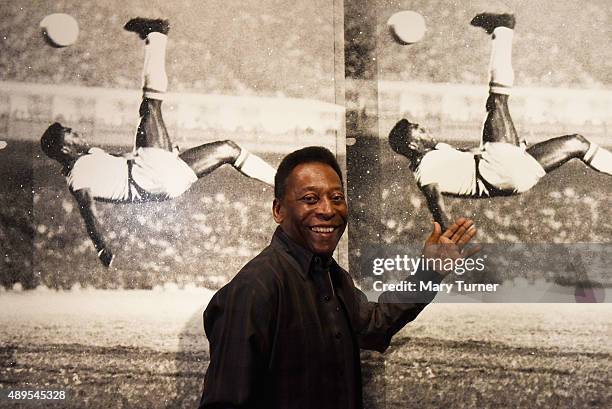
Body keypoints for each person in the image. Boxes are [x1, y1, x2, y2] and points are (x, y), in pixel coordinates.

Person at [199, 146, 478, 409]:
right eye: (310, 199)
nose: (328, 210)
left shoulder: (332, 277)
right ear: (278, 210)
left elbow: (373, 325)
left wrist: (429, 273)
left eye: (336, 198)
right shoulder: (254, 289)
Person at [40, 18, 277, 267]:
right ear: (65, 148)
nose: (77, 133)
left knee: (228, 148)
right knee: (150, 106)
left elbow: (120, 164)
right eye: (70, 133)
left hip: (162, 184)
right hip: (147, 176)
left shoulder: (88, 159)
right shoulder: (79, 173)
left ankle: (281, 182)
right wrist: (101, 247)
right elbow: (87, 210)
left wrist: (165, 154)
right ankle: (156, 35)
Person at [388, 13, 612, 230]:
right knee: (497, 101)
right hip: (495, 171)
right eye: (419, 130)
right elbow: (435, 203)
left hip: (513, 174)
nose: (425, 130)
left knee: (578, 143)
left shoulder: (438, 153)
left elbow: (466, 160)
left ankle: (503, 28)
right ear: (412, 145)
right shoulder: (425, 169)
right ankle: (503, 29)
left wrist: (513, 148)